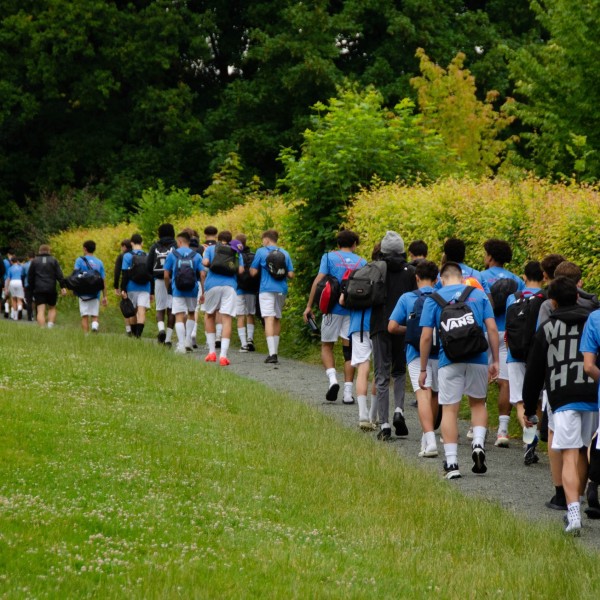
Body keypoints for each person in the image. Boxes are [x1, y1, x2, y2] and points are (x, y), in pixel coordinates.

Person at [523, 277, 599, 535]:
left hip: (562, 394)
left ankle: (572, 511)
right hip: (592, 393)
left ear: (552, 302)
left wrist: (529, 407)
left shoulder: (547, 328)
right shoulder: (591, 321)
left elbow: (534, 371)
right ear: (577, 296)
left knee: (568, 453)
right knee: (584, 450)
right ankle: (579, 498)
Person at [419, 261, 499, 480]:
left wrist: (423, 368)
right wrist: (495, 360)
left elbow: (425, 337)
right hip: (478, 358)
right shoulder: (478, 295)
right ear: (462, 278)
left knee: (450, 410)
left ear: (441, 279)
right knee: (478, 403)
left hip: (449, 359)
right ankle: (478, 443)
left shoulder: (433, 299)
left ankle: (452, 463)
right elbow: (492, 329)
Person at [303, 229, 366, 403]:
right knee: (349, 352)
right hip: (352, 312)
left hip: (331, 310)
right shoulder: (362, 262)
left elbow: (318, 280)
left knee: (326, 346)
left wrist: (309, 306)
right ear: (354, 244)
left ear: (338, 244)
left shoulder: (329, 257)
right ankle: (348, 394)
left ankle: (332, 380)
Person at [389, 260, 440, 457]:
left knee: (423, 394)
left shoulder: (407, 298)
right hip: (441, 353)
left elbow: (392, 327)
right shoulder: (442, 297)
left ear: (416, 277)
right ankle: (427, 437)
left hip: (416, 354)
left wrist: (410, 330)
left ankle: (430, 440)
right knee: (434, 395)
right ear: (436, 279)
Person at [370, 231, 416, 441]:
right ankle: (399, 410)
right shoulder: (411, 272)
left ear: (384, 250)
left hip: (380, 325)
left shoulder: (376, 269)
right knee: (399, 370)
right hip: (402, 327)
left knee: (381, 374)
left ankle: (385, 424)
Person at [480, 239, 525, 447]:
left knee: (480, 377)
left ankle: (477, 426)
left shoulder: (480, 277)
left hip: (485, 330)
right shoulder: (517, 280)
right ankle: (503, 430)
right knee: (505, 381)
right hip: (507, 332)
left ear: (490, 256)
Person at [505, 260, 545, 465]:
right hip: (538, 355)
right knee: (537, 400)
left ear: (524, 277)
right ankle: (533, 437)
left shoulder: (513, 298)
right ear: (544, 277)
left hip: (514, 354)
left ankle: (529, 438)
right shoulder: (546, 298)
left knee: (521, 401)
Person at [250, 230, 294, 364]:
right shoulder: (285, 253)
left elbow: (253, 272)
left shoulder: (261, 252)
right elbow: (291, 275)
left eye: (263, 240)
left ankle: (272, 353)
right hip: (282, 289)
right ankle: (275, 351)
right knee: (277, 318)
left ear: (267, 240)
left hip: (266, 289)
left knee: (268, 318)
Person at [201, 230, 239, 366]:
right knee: (226, 318)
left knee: (209, 315)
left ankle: (212, 352)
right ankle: (223, 355)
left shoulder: (211, 249)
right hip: (230, 286)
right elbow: (240, 270)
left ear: (218, 238)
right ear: (230, 240)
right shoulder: (235, 251)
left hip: (212, 285)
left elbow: (205, 262)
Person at [163, 231, 204, 354]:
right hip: (192, 289)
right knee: (191, 313)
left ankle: (181, 346)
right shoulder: (197, 255)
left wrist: (168, 287)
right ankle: (188, 341)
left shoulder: (172, 255)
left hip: (178, 289)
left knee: (179, 315)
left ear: (179, 241)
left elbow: (166, 275)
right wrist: (203, 291)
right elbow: (202, 274)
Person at [146, 224, 177, 345]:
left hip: (159, 280)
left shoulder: (155, 246)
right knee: (171, 309)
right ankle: (168, 339)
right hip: (172, 280)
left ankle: (161, 330)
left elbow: (148, 266)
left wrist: (152, 278)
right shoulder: (175, 246)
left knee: (160, 308)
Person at [120, 233, 152, 338]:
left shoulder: (127, 256)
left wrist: (123, 289)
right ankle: (139, 335)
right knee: (141, 311)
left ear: (131, 243)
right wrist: (152, 292)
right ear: (142, 243)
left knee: (133, 311)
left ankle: (134, 335)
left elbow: (124, 274)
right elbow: (151, 275)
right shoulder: (148, 255)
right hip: (145, 287)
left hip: (131, 287)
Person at [28, 244, 67, 328]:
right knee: (52, 308)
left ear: (39, 251)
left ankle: (42, 328)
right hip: (51, 288)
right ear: (49, 251)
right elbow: (59, 275)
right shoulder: (54, 260)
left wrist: (31, 288)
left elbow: (30, 277)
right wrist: (63, 286)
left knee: (40, 310)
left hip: (39, 288)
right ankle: (50, 326)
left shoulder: (34, 261)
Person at [73, 240, 107, 333]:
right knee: (94, 315)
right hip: (95, 293)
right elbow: (103, 281)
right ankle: (94, 326)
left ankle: (86, 336)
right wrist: (105, 296)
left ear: (85, 249)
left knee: (84, 316)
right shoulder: (99, 262)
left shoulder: (79, 260)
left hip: (83, 293)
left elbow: (75, 275)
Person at [234, 233, 258, 352]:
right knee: (250, 314)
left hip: (239, 288)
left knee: (240, 315)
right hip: (251, 288)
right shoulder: (254, 255)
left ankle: (243, 344)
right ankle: (250, 339)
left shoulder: (236, 256)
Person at [113, 239, 133, 335]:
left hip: (126, 285)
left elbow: (117, 272)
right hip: (139, 285)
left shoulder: (122, 256)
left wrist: (116, 286)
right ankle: (136, 329)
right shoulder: (136, 254)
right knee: (136, 307)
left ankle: (128, 330)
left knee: (126, 306)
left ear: (124, 246)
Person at [21, 251, 36, 321]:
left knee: (28, 301)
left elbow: (22, 275)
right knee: (36, 300)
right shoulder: (37, 264)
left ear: (28, 257)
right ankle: (37, 315)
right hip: (36, 285)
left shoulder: (25, 265)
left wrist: (23, 285)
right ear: (34, 257)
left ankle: (29, 316)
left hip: (27, 284)